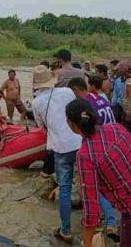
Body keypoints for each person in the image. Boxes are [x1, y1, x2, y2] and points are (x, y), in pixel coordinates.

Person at [65, 98, 131, 247]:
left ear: (73, 125)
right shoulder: (116, 128)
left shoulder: (85, 155)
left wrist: (87, 243)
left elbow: (91, 207)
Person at [31, 65, 82, 243]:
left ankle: (66, 230)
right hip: (79, 142)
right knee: (89, 182)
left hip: (60, 149)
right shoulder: (67, 91)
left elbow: (41, 128)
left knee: (65, 189)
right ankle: (99, 221)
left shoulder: (37, 103)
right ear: (51, 79)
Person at [67, 78, 118, 240]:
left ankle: (108, 222)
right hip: (112, 141)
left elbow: (89, 130)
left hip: (100, 148)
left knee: (95, 186)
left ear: (76, 90)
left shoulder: (85, 106)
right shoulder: (100, 98)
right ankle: (107, 219)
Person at [118, 60, 131, 132]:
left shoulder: (129, 82)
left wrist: (128, 114)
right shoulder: (127, 80)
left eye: (120, 69)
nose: (118, 71)